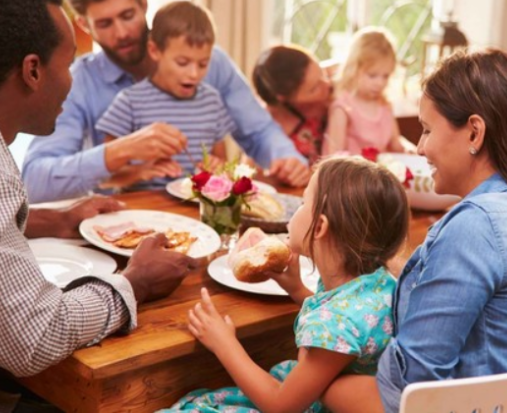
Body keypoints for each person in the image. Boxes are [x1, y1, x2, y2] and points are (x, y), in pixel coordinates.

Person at [322, 49, 507, 413]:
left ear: (474, 132)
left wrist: (323, 385)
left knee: (306, 381)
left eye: (427, 129)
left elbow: (410, 389)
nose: (421, 147)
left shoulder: (477, 226)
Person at [0, 0, 196, 413]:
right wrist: (134, 284)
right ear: (33, 70)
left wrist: (54, 220)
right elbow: (33, 338)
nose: (73, 80)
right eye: (69, 62)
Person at [22, 0, 310, 203]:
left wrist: (287, 159)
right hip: (124, 220)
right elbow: (34, 181)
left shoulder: (211, 62)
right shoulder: (80, 81)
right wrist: (118, 151)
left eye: (127, 15)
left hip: (202, 215)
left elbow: (258, 131)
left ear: (144, 4)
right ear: (84, 25)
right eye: (105, 23)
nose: (121, 33)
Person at [160, 156, 409, 412]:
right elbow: (352, 329)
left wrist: (224, 344)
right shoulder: (377, 281)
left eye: (303, 202)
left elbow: (281, 405)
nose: (296, 210)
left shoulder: (335, 322)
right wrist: (297, 290)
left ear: (320, 227)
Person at [96, 1, 231, 191]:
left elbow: (223, 162)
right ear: (154, 51)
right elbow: (103, 177)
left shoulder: (212, 101)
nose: (193, 74)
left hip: (194, 210)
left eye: (203, 64)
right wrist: (140, 171)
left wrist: (217, 168)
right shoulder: (130, 102)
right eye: (182, 62)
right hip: (144, 210)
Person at [322, 27, 408, 156]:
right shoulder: (343, 107)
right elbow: (333, 154)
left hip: (379, 173)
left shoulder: (384, 105)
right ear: (353, 69)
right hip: (349, 173)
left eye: (385, 76)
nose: (380, 83)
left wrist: (408, 149)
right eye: (372, 75)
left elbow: (396, 143)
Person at [252, 45, 332, 165]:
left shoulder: (338, 76)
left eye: (322, 73)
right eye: (314, 89)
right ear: (283, 97)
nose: (327, 83)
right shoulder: (269, 125)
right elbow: (250, 171)